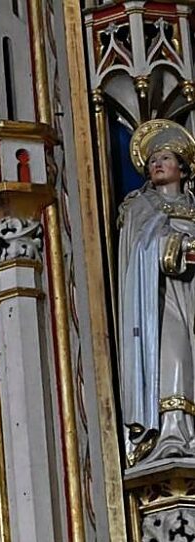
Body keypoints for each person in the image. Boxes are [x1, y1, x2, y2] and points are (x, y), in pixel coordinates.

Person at [118, 119, 195, 461]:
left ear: (182, 166)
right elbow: (140, 250)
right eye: (153, 161)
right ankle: (172, 433)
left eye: (165, 157)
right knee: (173, 357)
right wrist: (178, 247)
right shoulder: (139, 207)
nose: (157, 164)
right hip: (160, 300)